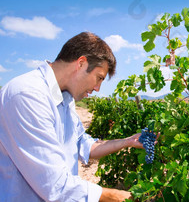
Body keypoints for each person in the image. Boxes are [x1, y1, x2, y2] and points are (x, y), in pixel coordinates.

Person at [0, 32, 148, 202]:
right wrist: (118, 196)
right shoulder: (27, 96)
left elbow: (84, 144)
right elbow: (54, 186)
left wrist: (127, 141)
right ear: (81, 63)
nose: (98, 88)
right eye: (99, 78)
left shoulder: (65, 98)